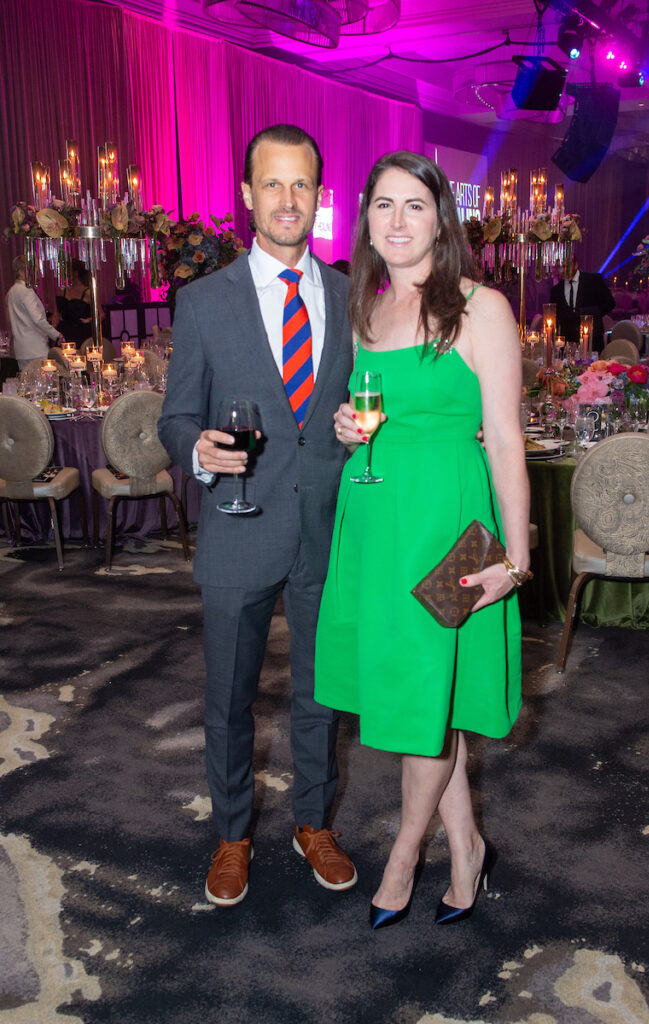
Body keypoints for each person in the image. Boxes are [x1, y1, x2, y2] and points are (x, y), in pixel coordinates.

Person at [315, 151, 531, 929]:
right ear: (366, 221)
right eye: (382, 206)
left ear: (442, 218)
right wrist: (349, 430)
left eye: (414, 205)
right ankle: (467, 849)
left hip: (447, 528)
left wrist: (516, 555)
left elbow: (505, 438)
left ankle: (403, 859)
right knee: (424, 696)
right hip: (377, 521)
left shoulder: (481, 308)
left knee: (419, 700)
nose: (398, 221)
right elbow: (377, 420)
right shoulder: (368, 310)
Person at [158, 124, 356, 908]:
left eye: (301, 185)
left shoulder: (347, 294)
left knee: (320, 691)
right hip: (237, 526)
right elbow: (176, 419)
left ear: (318, 196)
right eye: (271, 184)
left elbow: (359, 405)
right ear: (246, 195)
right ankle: (233, 834)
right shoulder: (204, 302)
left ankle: (314, 822)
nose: (287, 200)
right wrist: (201, 451)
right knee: (229, 698)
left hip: (326, 530)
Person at [6, 255, 63, 368]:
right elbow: (37, 319)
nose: (36, 273)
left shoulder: (11, 291)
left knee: (26, 382)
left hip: (21, 349)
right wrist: (56, 334)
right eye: (33, 270)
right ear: (21, 272)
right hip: (35, 348)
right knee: (42, 381)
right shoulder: (26, 290)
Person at [550, 255, 615, 350]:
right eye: (558, 267)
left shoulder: (593, 280)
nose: (561, 271)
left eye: (564, 266)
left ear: (575, 265)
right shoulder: (556, 290)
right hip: (568, 345)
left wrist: (588, 312)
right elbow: (556, 317)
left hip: (592, 341)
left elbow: (610, 303)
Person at [55, 259, 92, 345]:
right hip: (64, 331)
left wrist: (89, 320)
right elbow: (56, 314)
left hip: (81, 332)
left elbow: (100, 314)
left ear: (75, 273)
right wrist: (52, 331)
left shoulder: (88, 292)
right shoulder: (62, 290)